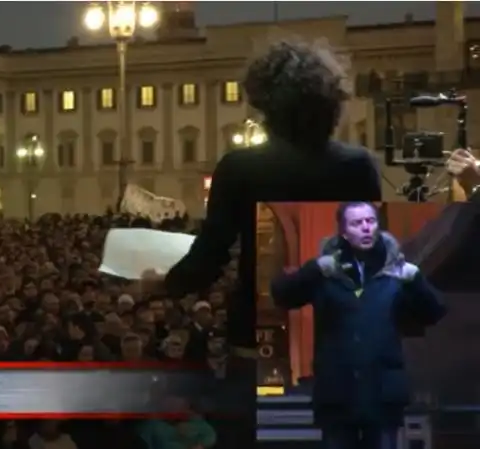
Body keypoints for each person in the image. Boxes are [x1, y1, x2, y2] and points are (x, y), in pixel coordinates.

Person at [139, 38, 383, 443]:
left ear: (266, 103)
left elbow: (208, 259)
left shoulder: (241, 168)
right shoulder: (358, 165)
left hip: (260, 341)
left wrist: (159, 284)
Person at [270, 202, 446, 449]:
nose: (366, 228)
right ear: (343, 232)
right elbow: (283, 296)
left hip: (382, 394)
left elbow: (435, 312)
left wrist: (416, 279)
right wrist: (314, 270)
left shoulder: (396, 273)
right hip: (338, 395)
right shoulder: (326, 273)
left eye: (370, 221)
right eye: (357, 223)